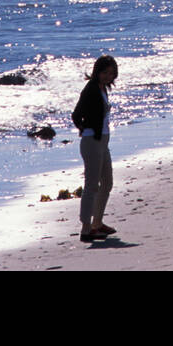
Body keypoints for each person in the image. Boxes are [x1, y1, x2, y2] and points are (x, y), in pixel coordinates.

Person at [71, 54, 118, 242]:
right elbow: (76, 115)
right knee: (92, 185)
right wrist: (84, 129)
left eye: (111, 73)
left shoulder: (103, 89)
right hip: (92, 142)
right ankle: (85, 228)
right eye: (104, 72)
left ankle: (97, 223)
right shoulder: (90, 89)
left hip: (103, 141)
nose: (108, 76)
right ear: (96, 71)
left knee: (107, 182)